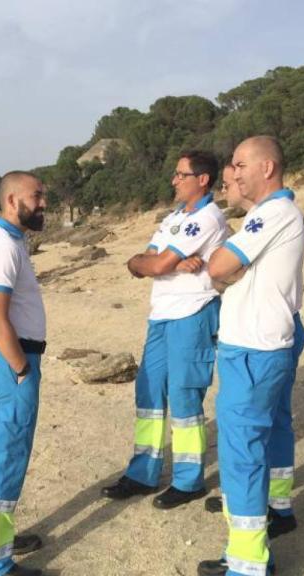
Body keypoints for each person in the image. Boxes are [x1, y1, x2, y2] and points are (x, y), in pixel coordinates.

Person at [197, 136, 304, 576]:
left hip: (253, 349)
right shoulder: (269, 215)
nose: (235, 172)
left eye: (241, 164)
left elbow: (220, 267)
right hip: (267, 345)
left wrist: (226, 270)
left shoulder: (273, 214)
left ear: (267, 168)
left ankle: (247, 564)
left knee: (242, 452)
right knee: (273, 429)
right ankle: (279, 509)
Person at [101, 150, 229, 510]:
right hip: (161, 315)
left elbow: (154, 264)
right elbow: (143, 261)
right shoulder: (174, 218)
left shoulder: (206, 218)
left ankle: (188, 481)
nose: (173, 180)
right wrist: (148, 263)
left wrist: (154, 265)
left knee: (185, 395)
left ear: (202, 180)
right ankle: (143, 473)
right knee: (149, 391)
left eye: (180, 174)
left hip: (193, 312)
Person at [0, 171, 48, 576]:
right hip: (10, 361)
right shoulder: (2, 246)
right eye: (36, 196)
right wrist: (21, 369)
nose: (43, 203)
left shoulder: (12, 242)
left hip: (11, 359)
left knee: (8, 455)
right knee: (5, 457)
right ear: (12, 199)